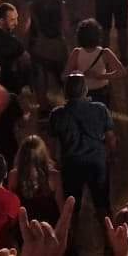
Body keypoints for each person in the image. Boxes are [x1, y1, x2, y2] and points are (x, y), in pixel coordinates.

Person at [46, 71, 114, 221]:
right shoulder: (100, 109)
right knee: (102, 206)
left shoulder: (57, 114)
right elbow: (110, 139)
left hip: (71, 164)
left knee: (71, 206)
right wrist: (108, 157)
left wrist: (54, 162)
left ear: (66, 91)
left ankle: (70, 239)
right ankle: (110, 239)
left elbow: (50, 144)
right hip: (97, 163)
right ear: (85, 89)